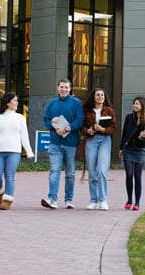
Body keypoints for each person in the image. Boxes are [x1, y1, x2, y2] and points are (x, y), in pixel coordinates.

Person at [0, 92, 34, 210]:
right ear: (7, 102)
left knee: (10, 176)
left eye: (17, 101)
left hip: (14, 152)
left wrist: (29, 151)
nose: (17, 103)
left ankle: (7, 200)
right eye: (15, 101)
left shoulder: (20, 118)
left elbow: (24, 137)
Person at [41, 78, 84, 209]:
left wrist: (67, 128)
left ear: (70, 89)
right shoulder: (52, 103)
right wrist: (52, 124)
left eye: (66, 87)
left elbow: (80, 120)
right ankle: (52, 199)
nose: (64, 89)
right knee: (54, 170)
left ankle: (69, 200)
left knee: (70, 173)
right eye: (61, 87)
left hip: (71, 143)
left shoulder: (76, 103)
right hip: (55, 143)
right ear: (58, 88)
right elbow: (46, 120)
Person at [81, 88, 117, 211]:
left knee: (102, 169)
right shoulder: (87, 111)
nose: (100, 96)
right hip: (91, 140)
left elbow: (113, 128)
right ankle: (93, 200)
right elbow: (82, 127)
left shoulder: (109, 111)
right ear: (94, 97)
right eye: (98, 95)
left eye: (102, 95)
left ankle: (103, 200)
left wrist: (103, 129)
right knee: (92, 171)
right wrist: (88, 131)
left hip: (105, 140)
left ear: (104, 97)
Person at [118, 96, 145, 211]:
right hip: (128, 149)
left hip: (140, 150)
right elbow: (124, 134)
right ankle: (129, 200)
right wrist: (121, 148)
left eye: (137, 104)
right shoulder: (129, 118)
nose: (135, 106)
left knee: (137, 176)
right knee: (129, 175)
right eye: (134, 104)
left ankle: (137, 202)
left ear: (143, 105)